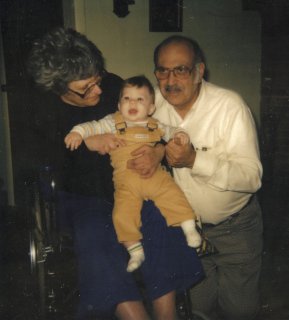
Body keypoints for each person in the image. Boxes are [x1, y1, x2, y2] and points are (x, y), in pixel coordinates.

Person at [27, 28, 204, 320]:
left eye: (98, 78)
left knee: (160, 220)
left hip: (132, 181)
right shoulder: (43, 109)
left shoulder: (112, 86)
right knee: (95, 234)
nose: (99, 91)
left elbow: (151, 126)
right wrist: (85, 143)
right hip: (80, 196)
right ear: (59, 88)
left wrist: (158, 152)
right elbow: (43, 164)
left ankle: (166, 313)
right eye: (86, 88)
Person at [124, 35, 263, 320]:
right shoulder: (152, 105)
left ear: (199, 71)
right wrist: (157, 152)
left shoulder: (230, 107)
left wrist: (194, 160)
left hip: (234, 230)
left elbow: (252, 178)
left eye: (181, 70)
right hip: (186, 234)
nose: (170, 80)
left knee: (240, 311)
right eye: (162, 70)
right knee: (197, 310)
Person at [64, 75, 201, 272]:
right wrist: (77, 132)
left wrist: (180, 136)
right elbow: (91, 126)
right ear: (119, 105)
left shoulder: (155, 125)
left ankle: (189, 229)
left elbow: (173, 131)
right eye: (127, 99)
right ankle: (135, 251)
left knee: (173, 196)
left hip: (155, 177)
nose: (132, 103)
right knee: (122, 215)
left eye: (140, 99)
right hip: (125, 183)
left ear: (151, 108)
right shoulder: (112, 122)